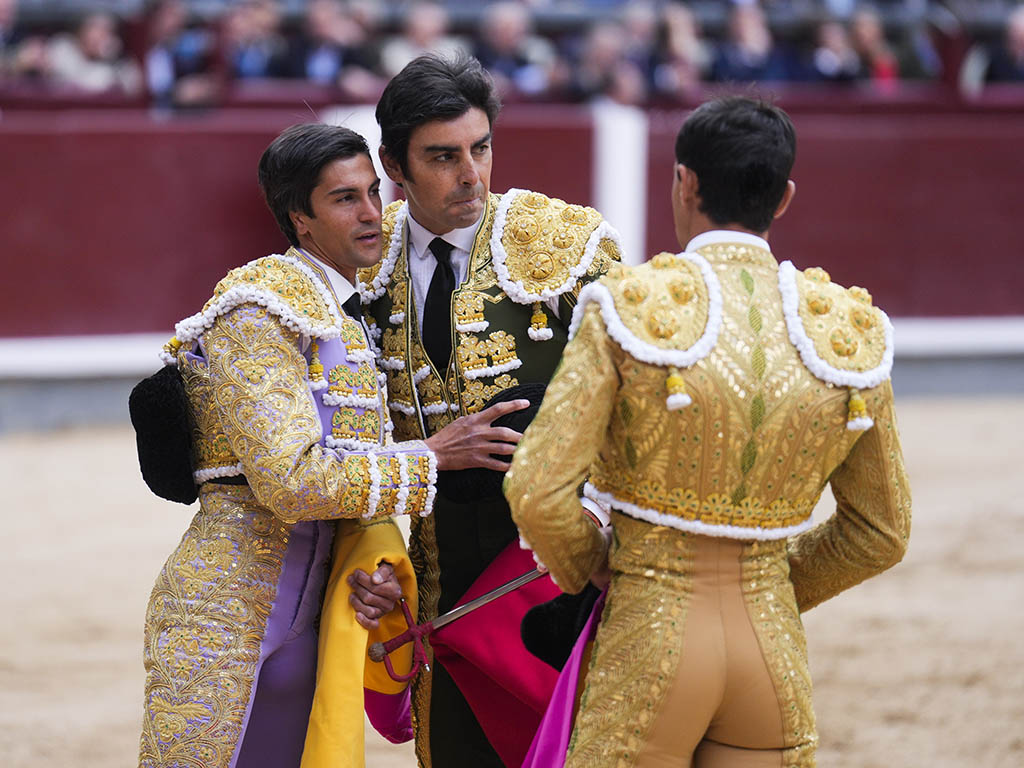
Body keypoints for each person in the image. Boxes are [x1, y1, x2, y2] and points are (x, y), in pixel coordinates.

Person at [507, 96, 912, 766]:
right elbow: (881, 533)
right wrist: (773, 587)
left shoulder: (628, 307)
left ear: (684, 181)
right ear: (782, 198)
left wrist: (603, 568)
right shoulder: (849, 329)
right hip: (770, 650)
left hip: (650, 633)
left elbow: (537, 490)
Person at [137, 123, 445, 768]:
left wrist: (380, 569)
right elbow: (293, 482)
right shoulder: (257, 309)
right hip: (222, 613)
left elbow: (350, 481)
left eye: (373, 192)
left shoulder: (346, 317)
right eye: (344, 199)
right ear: (299, 219)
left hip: (314, 616)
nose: (372, 213)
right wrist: (436, 458)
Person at [361, 53, 622, 767]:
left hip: (556, 573)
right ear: (394, 163)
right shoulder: (357, 260)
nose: (471, 174)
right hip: (434, 574)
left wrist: (597, 524)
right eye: (443, 157)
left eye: (480, 148)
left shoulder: (569, 245)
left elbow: (638, 406)